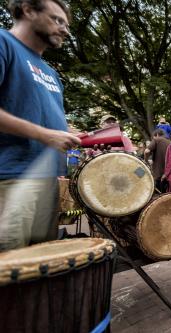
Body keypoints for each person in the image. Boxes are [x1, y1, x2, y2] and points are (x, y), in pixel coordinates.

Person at [0, 0, 81, 251]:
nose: (64, 30)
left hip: (47, 181)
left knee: (40, 266)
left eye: (66, 25)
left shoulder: (51, 73)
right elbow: (44, 131)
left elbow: (39, 116)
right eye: (57, 20)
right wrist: (46, 135)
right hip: (11, 177)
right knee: (10, 266)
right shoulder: (4, 43)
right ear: (28, 10)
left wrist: (69, 134)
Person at [144, 128, 169, 193]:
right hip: (168, 173)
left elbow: (146, 151)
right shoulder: (169, 142)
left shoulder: (156, 140)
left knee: (158, 196)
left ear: (157, 135)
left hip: (158, 174)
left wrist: (146, 160)